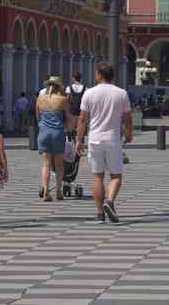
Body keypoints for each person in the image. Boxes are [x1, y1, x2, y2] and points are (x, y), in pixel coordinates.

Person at [75, 64, 133, 224]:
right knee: (116, 176)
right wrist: (129, 133)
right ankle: (110, 201)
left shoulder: (89, 93)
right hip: (113, 139)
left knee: (98, 177)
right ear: (112, 76)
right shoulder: (121, 94)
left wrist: (79, 140)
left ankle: (100, 213)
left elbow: (82, 119)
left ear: (99, 75)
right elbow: (127, 118)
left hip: (94, 139)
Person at [36, 76, 72, 201]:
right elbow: (67, 118)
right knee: (59, 164)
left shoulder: (40, 99)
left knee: (46, 164)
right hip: (57, 132)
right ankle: (58, 191)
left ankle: (46, 190)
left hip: (43, 132)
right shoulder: (63, 99)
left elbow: (38, 118)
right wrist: (70, 128)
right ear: (59, 87)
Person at [67, 73, 86, 139]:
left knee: (71, 126)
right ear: (80, 79)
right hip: (81, 109)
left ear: (73, 78)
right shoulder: (85, 88)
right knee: (80, 126)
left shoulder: (69, 88)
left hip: (72, 109)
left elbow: (68, 99)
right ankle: (80, 140)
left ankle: (71, 140)